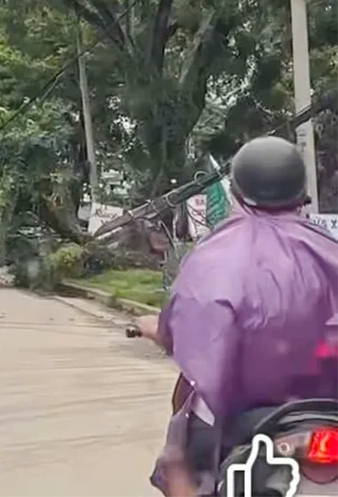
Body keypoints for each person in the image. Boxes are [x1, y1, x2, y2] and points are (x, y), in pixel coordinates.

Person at [142, 136, 338, 497]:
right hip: (328, 409)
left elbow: (185, 326)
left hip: (243, 415)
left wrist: (159, 330)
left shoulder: (211, 257)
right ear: (301, 192)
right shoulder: (330, 248)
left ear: (236, 191)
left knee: (176, 458)